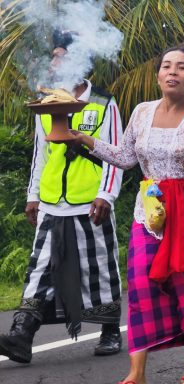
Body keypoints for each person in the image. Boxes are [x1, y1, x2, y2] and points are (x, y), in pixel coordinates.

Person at [70, 47, 184, 384]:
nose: (172, 72)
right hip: (150, 213)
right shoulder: (141, 112)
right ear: (158, 75)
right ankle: (136, 373)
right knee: (140, 286)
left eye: (182, 67)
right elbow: (125, 158)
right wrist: (85, 140)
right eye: (166, 66)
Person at [0, 30, 124, 364]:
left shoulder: (102, 102)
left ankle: (110, 331)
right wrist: (33, 195)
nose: (55, 61)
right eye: (54, 55)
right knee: (39, 267)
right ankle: (21, 335)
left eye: (62, 55)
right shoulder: (47, 103)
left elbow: (117, 152)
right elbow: (41, 154)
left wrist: (107, 195)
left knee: (98, 267)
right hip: (53, 202)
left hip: (90, 200)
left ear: (81, 58)